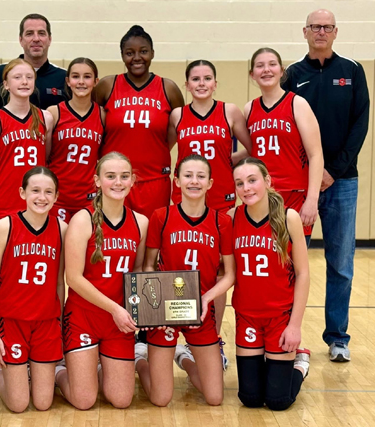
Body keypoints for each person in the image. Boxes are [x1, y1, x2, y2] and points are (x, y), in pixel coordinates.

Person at [283, 9, 370, 361]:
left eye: (327, 27)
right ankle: (286, 332)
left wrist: (332, 170)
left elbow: (360, 125)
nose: (321, 31)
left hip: (342, 181)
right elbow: (284, 126)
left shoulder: (352, 70)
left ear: (336, 32)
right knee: (289, 262)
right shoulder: (293, 74)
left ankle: (337, 338)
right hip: (298, 184)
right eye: (315, 27)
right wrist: (309, 175)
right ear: (304, 32)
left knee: (340, 263)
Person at [134, 155, 235, 407]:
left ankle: (184, 358)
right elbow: (148, 266)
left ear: (210, 183)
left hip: (200, 311)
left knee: (214, 397)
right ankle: (139, 360)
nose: (194, 181)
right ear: (177, 181)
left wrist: (206, 298)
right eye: (188, 175)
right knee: (161, 399)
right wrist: (153, 309)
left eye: (201, 176)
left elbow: (230, 274)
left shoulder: (221, 221)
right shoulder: (161, 216)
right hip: (166, 311)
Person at [210, 157, 311, 411]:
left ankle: (300, 364)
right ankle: (277, 368)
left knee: (278, 401)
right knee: (251, 399)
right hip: (248, 318)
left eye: (252, 180)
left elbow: (303, 274)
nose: (246, 188)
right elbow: (226, 271)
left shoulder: (289, 218)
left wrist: (294, 326)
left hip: (280, 318)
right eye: (239, 183)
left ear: (267, 181)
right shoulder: (232, 218)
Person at [169, 60, 252, 363]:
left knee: (218, 273)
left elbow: (252, 147)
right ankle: (185, 338)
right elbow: (165, 149)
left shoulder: (229, 111)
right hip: (186, 202)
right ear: (187, 84)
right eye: (195, 79)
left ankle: (212, 340)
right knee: (185, 269)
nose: (201, 84)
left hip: (221, 202)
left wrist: (229, 161)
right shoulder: (178, 115)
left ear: (215, 83)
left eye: (207, 78)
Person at [55, 152, 148, 410]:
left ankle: (97, 368)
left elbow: (138, 271)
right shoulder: (81, 220)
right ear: (97, 180)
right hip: (83, 317)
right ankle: (57, 371)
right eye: (110, 176)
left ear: (133, 181)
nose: (118, 182)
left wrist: (145, 310)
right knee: (84, 400)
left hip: (119, 323)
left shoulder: (141, 222)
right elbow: (73, 278)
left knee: (121, 400)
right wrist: (115, 309)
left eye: (124, 176)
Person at [0, 167, 67, 413]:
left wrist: (60, 322)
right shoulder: (5, 226)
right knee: (18, 404)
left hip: (46, 322)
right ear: (22, 193)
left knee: (43, 403)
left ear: (56, 196)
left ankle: (27, 372)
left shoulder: (62, 229)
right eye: (35, 190)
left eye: (48, 192)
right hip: (11, 321)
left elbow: (59, 282)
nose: (42, 197)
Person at [94, 25, 185, 219]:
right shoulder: (107, 86)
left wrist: (155, 148)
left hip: (154, 180)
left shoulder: (168, 88)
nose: (137, 58)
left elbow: (178, 129)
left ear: (152, 53)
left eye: (143, 51)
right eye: (130, 53)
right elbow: (93, 126)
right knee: (114, 233)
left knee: (151, 235)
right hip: (115, 180)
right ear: (122, 55)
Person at [245, 47, 323, 242]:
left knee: (294, 258)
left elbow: (315, 155)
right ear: (252, 74)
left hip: (294, 195)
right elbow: (251, 151)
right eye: (260, 66)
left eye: (272, 64)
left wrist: (312, 199)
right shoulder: (249, 109)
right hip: (261, 195)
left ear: (281, 71)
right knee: (264, 255)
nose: (266, 70)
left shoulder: (297, 104)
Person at [0, 58, 54, 243]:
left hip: (38, 204)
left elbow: (45, 159)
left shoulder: (46, 118)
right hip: (6, 206)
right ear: (6, 84)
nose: (24, 82)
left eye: (29, 77)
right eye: (17, 77)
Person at [47, 57, 104, 222]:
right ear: (68, 81)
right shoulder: (54, 113)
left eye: (87, 77)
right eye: (75, 76)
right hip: (58, 197)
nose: (81, 82)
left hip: (88, 198)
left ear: (96, 81)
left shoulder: (102, 115)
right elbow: (45, 156)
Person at [0, 13, 66, 112]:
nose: (36, 39)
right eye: (29, 33)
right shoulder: (0, 73)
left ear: (50, 39)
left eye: (41, 33)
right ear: (21, 40)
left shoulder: (63, 77)